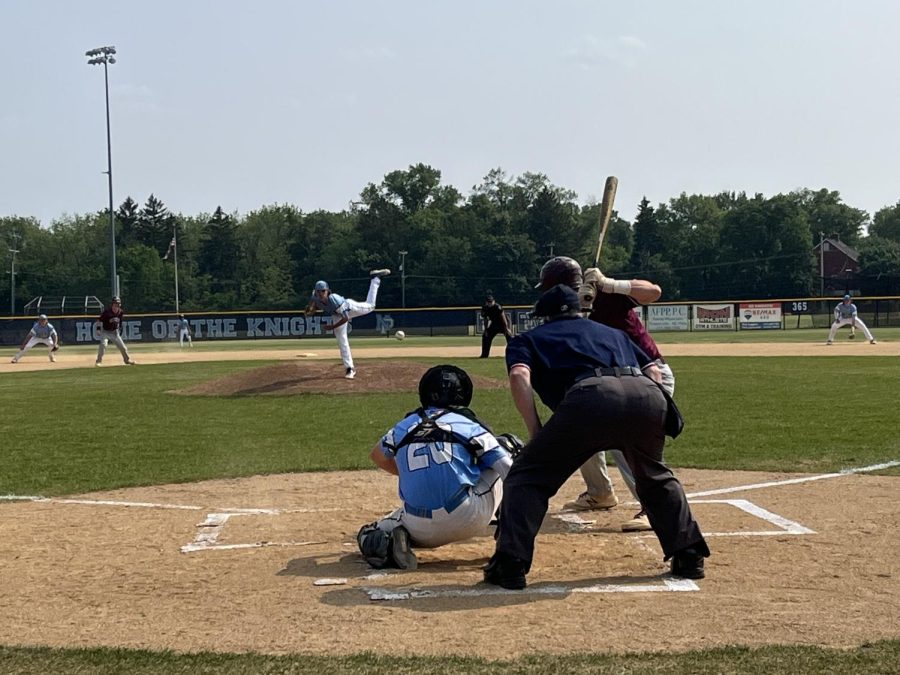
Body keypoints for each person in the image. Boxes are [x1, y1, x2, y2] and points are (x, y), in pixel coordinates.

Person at [483, 284, 709, 589]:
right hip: (645, 394)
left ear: (545, 317)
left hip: (590, 399)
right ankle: (689, 554)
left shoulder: (528, 338)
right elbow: (654, 371)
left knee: (527, 477)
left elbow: (519, 375)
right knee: (655, 476)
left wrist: (536, 430)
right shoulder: (612, 332)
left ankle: (510, 564)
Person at [536, 256, 671, 532]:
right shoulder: (564, 310)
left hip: (646, 373)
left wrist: (611, 284)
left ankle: (653, 507)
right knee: (578, 422)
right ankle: (600, 493)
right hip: (606, 382)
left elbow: (654, 292)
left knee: (626, 435)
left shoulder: (606, 294)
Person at [357, 364, 518, 569]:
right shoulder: (467, 424)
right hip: (467, 517)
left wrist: (406, 474)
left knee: (369, 532)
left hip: (417, 525)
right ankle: (508, 539)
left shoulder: (405, 425)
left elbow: (377, 456)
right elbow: (509, 471)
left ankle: (387, 544)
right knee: (509, 446)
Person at [305, 269, 390, 379]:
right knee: (342, 340)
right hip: (336, 315)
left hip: (349, 308)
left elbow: (345, 318)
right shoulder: (315, 297)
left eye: (323, 291)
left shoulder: (333, 299)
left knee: (371, 306)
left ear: (327, 291)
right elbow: (312, 305)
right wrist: (310, 309)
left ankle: (375, 279)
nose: (320, 293)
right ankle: (350, 368)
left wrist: (332, 327)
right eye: (318, 291)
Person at [95, 296, 136, 366]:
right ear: (112, 304)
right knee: (103, 345)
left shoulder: (120, 312)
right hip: (105, 331)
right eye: (115, 303)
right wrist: (98, 329)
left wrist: (119, 328)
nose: (117, 305)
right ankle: (98, 361)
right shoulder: (107, 312)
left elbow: (120, 322)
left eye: (118, 303)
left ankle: (127, 360)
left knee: (123, 348)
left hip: (115, 332)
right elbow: (99, 320)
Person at [479, 292, 513, 358]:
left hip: (504, 323)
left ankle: (513, 354)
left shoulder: (498, 307)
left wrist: (507, 329)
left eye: (491, 301)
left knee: (509, 337)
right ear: (486, 302)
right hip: (494, 324)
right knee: (486, 336)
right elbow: (486, 319)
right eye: (488, 302)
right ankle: (484, 355)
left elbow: (503, 318)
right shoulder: (485, 308)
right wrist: (486, 330)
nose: (490, 303)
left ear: (494, 301)